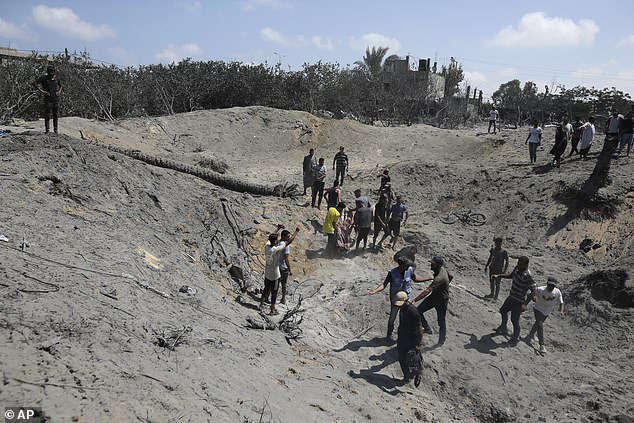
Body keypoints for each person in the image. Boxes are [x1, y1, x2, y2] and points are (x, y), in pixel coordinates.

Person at [368, 256, 421, 341]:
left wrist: (428, 279)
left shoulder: (410, 270)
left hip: (406, 299)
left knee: (406, 318)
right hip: (396, 300)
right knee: (392, 318)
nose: (408, 266)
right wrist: (375, 290)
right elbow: (384, 284)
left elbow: (415, 279)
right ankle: (389, 335)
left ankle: (404, 336)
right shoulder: (392, 273)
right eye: (406, 265)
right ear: (401, 265)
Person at [492, 256, 536, 346]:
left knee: (514, 320)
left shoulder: (528, 275)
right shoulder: (517, 268)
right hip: (511, 297)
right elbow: (511, 275)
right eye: (518, 263)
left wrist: (525, 304)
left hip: (519, 301)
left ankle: (515, 338)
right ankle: (503, 327)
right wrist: (499, 275)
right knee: (503, 311)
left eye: (521, 264)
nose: (518, 265)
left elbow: (533, 290)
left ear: (526, 265)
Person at [412, 256, 452, 346]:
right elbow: (451, 276)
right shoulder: (442, 270)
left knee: (441, 321)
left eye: (433, 263)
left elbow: (427, 290)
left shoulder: (439, 278)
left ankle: (441, 341)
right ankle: (427, 328)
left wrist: (415, 300)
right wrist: (446, 285)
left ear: (438, 265)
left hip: (442, 300)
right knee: (418, 311)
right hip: (434, 297)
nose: (431, 264)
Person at [260, 226, 300, 315]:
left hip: (267, 272)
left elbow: (270, 238)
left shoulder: (266, 247)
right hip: (275, 275)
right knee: (274, 291)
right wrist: (296, 232)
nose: (277, 240)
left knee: (266, 288)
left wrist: (278, 228)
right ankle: (272, 309)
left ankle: (261, 304)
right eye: (276, 240)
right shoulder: (276, 249)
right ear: (274, 242)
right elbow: (289, 242)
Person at [524, 276, 564, 354]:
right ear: (547, 284)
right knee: (540, 324)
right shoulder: (540, 289)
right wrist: (528, 302)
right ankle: (542, 345)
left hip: (547, 312)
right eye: (550, 285)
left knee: (538, 323)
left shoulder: (557, 292)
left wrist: (562, 311)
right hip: (538, 309)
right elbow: (532, 294)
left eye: (553, 286)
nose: (551, 287)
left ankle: (530, 335)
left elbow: (561, 302)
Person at [394, 291, 423, 382]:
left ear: (406, 300)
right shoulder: (402, 309)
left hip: (412, 340)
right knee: (401, 358)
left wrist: (418, 344)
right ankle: (406, 377)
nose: (399, 306)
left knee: (413, 358)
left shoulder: (413, 311)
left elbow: (420, 329)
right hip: (402, 338)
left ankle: (417, 371)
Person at [33, 64, 63, 134]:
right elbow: (34, 83)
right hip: (48, 99)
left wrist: (59, 91)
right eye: (51, 71)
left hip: (55, 99)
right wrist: (42, 91)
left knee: (55, 114)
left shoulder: (56, 79)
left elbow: (61, 85)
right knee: (47, 114)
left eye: (53, 71)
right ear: (48, 72)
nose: (52, 73)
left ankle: (56, 130)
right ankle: (47, 130)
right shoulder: (44, 78)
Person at [278, 230, 294, 305]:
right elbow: (286, 258)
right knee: (284, 284)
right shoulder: (285, 246)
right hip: (283, 267)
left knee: (275, 283)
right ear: (283, 236)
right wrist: (290, 269)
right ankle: (283, 298)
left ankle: (268, 297)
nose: (289, 238)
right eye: (288, 236)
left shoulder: (278, 243)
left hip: (276, 266)